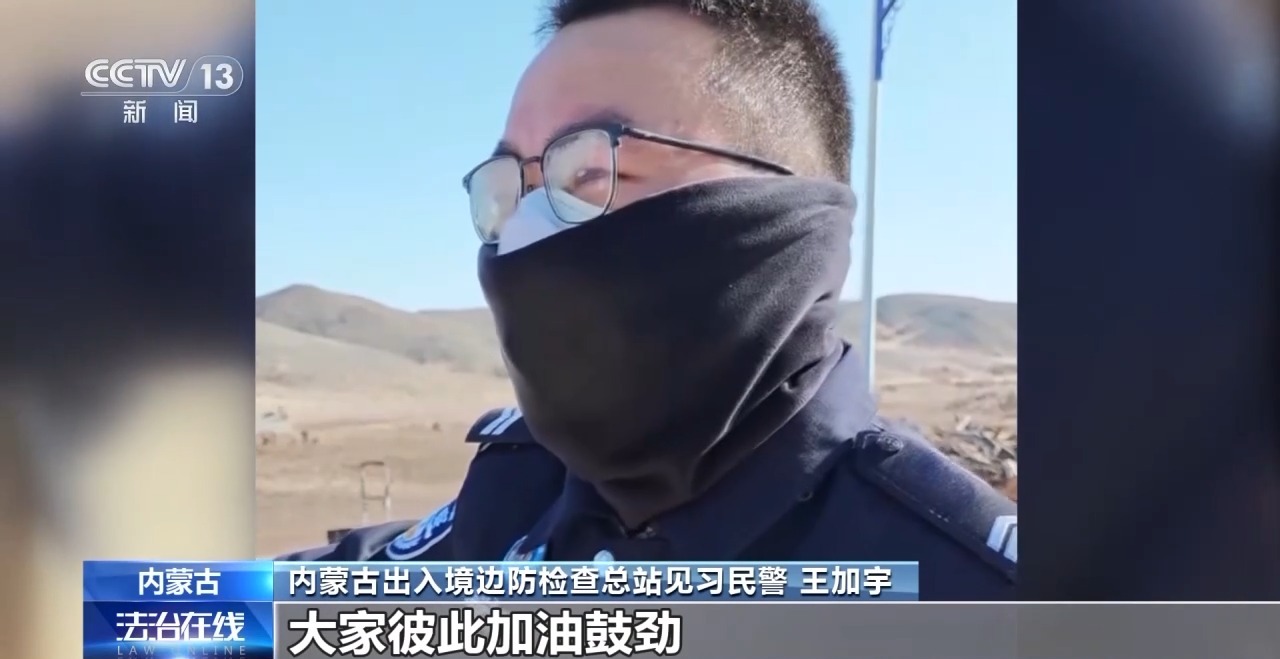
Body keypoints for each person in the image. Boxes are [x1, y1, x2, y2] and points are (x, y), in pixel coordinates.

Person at [281, 0, 1016, 600]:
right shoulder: (521, 492)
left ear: (787, 217)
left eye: (588, 172)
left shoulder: (966, 597)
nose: (525, 232)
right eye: (510, 189)